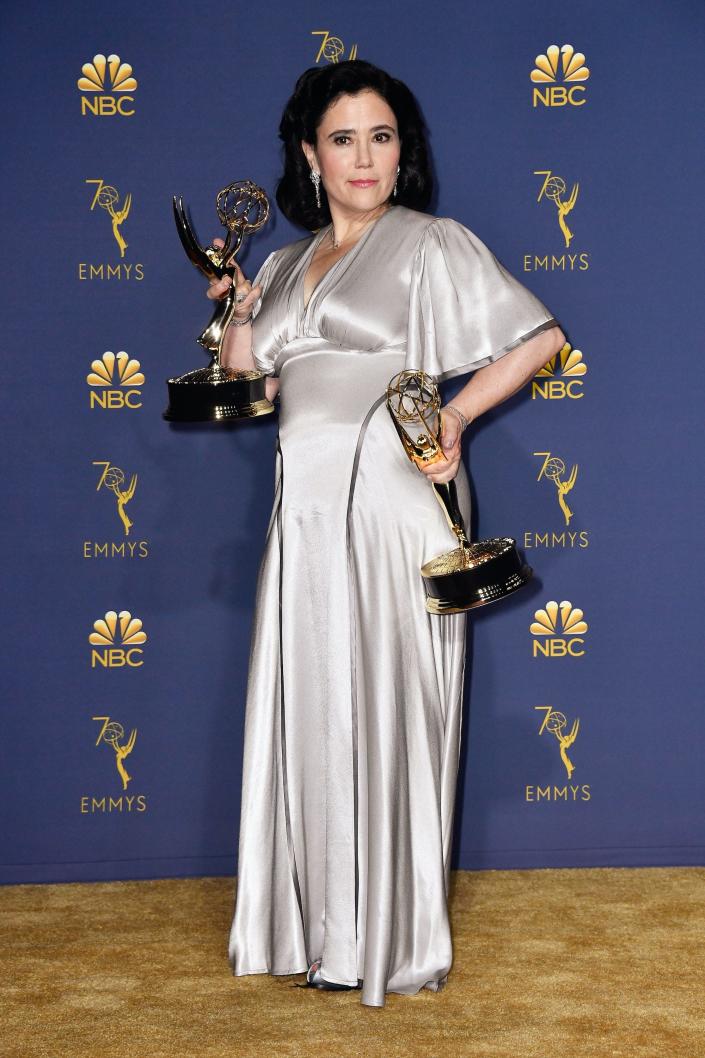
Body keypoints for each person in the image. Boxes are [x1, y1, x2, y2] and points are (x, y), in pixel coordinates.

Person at [208, 60, 566, 1009]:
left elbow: (536, 339)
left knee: (393, 710)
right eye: (342, 139)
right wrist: (239, 304)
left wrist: (451, 421)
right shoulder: (284, 264)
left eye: (381, 137)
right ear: (307, 155)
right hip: (309, 512)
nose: (363, 158)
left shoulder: (428, 243)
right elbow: (250, 389)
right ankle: (325, 932)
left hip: (396, 503)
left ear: (402, 153)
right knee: (315, 699)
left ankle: (392, 942)